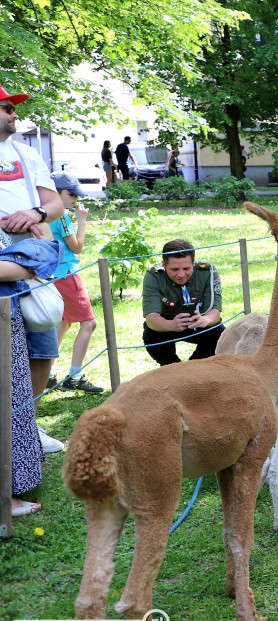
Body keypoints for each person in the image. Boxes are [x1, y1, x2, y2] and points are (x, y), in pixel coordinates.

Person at [0, 82, 67, 454]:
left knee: (42, 345)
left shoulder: (27, 153)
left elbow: (55, 203)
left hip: (27, 249)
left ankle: (27, 427)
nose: (15, 114)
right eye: (7, 108)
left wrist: (35, 214)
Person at [1, 232, 61, 516]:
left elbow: (46, 252)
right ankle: (3, 498)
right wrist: (21, 265)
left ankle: (12, 488)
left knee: (15, 403)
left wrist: (23, 263)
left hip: (7, 320)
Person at [48, 171, 104, 393]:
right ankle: (75, 376)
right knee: (89, 323)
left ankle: (49, 373)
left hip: (50, 274)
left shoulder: (42, 214)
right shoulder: (61, 216)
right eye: (71, 194)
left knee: (62, 323)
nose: (75, 199)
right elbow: (78, 247)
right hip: (66, 274)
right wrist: (82, 221)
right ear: (56, 193)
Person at [141, 239, 224, 365]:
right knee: (151, 337)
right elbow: (151, 318)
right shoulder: (154, 276)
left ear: (194, 263)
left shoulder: (207, 272)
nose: (181, 274)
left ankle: (193, 369)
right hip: (167, 324)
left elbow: (215, 311)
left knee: (219, 333)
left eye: (186, 268)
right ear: (164, 264)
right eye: (174, 269)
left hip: (198, 323)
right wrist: (171, 325)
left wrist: (206, 320)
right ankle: (172, 369)